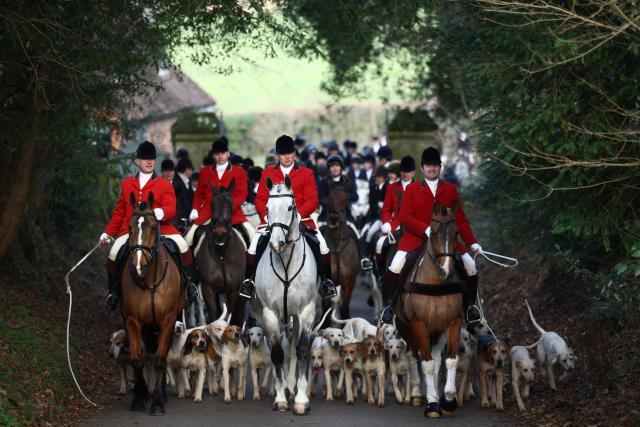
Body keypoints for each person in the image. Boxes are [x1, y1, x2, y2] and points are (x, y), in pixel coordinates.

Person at [381, 147, 483, 324]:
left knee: (471, 265)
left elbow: (460, 219)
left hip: (445, 241)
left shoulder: (450, 189)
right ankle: (389, 307)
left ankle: (470, 308)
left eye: (435, 165)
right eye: (428, 165)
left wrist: (471, 242)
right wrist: (424, 229)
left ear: (440, 167)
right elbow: (404, 217)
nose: (432, 168)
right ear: (422, 168)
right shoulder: (412, 189)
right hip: (415, 239)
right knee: (395, 266)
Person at [99, 141, 198, 311]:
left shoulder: (165, 184)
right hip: (131, 230)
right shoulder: (127, 184)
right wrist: (108, 232)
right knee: (114, 253)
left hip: (161, 228)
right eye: (145, 158)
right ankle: (114, 294)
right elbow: (120, 211)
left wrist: (161, 212)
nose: (149, 161)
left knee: (183, 246)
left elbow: (171, 207)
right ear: (137, 161)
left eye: (152, 158)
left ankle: (189, 286)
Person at [240, 135, 337, 300]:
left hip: (302, 218)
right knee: (253, 246)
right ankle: (249, 282)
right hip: (274, 221)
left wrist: (299, 214)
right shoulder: (268, 173)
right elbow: (260, 199)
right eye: (283, 154)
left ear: (294, 153)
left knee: (322, 245)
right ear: (278, 155)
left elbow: (312, 199)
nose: (287, 157)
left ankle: (326, 282)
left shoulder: (306, 173)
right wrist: (266, 217)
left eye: (290, 153)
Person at [186, 137, 254, 249]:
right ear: (213, 155)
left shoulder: (239, 172)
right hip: (208, 212)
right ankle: (191, 266)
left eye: (223, 153)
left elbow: (241, 195)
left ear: (228, 154)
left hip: (232, 212)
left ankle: (251, 266)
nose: (220, 156)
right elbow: (199, 194)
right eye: (217, 154)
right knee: (188, 239)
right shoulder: (205, 172)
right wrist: (195, 209)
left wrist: (229, 207)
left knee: (252, 236)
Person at [375, 155, 415, 276]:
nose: (405, 174)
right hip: (395, 224)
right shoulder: (392, 188)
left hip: (413, 225)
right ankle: (381, 275)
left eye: (408, 172)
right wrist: (386, 222)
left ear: (413, 172)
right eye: (403, 171)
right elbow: (386, 210)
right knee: (379, 244)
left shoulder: (420, 187)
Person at [174, 158, 194, 234]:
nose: (191, 172)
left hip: (186, 218)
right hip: (179, 221)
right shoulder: (177, 182)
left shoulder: (186, 181)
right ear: (187, 169)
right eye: (191, 169)